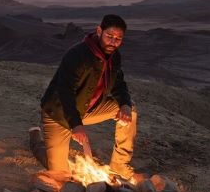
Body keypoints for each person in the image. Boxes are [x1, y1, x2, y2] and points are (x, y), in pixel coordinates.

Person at [39, 14, 137, 179]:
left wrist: (125, 104)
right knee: (59, 174)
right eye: (109, 36)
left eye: (118, 38)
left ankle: (120, 164)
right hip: (59, 116)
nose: (113, 42)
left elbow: (118, 83)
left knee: (130, 109)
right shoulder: (77, 55)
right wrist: (76, 125)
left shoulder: (114, 56)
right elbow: (65, 91)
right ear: (99, 31)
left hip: (86, 110)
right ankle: (35, 137)